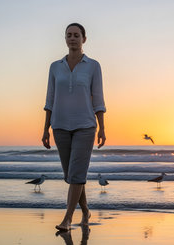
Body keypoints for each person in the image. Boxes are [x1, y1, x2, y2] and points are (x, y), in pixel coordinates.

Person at [42, 23, 106, 231]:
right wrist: (45, 129)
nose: (72, 38)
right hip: (59, 125)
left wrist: (102, 128)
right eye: (69, 35)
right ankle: (86, 210)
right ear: (65, 39)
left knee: (77, 174)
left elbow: (98, 99)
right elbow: (50, 99)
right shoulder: (55, 66)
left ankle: (67, 219)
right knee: (72, 176)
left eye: (76, 35)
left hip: (85, 126)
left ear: (84, 39)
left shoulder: (93, 66)